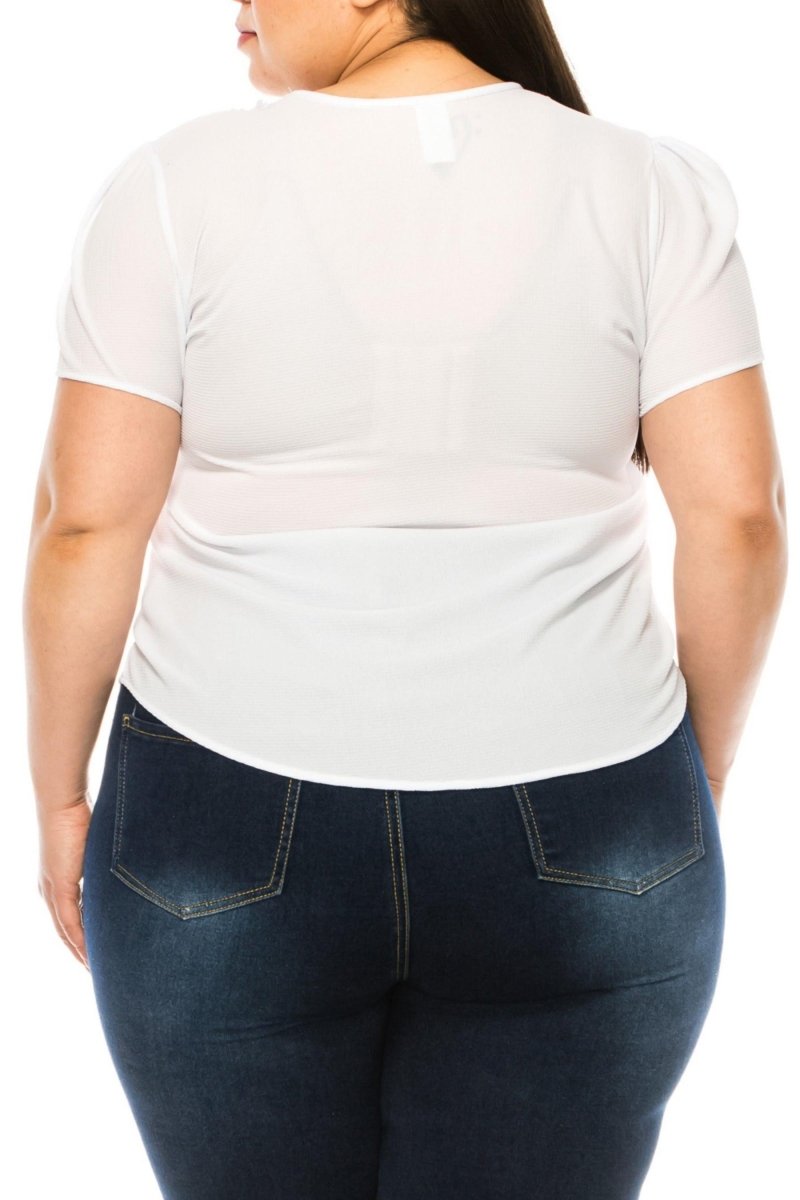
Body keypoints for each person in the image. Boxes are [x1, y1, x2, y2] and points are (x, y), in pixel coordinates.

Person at [24, 1, 788, 1198]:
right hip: (591, 807)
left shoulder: (172, 189)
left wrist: (60, 797)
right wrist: (695, 773)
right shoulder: (646, 187)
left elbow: (85, 525)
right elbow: (739, 520)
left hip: (221, 806)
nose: (236, 9)